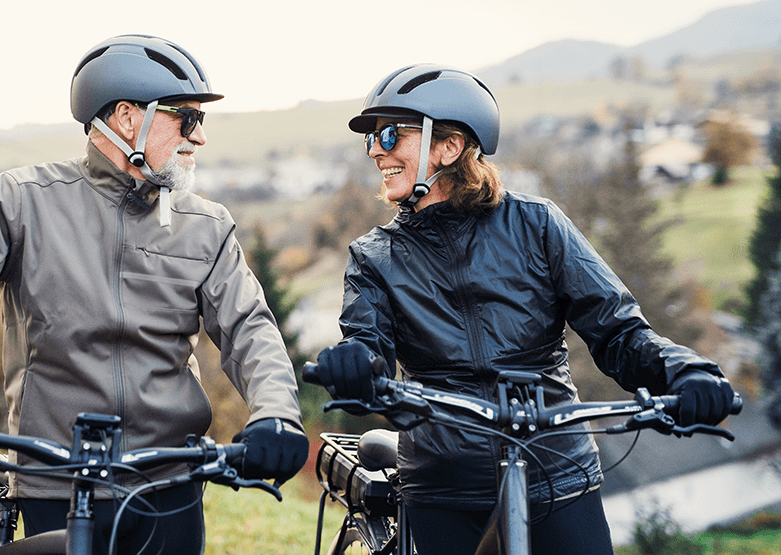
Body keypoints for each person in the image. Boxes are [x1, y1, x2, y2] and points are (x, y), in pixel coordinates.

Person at [0, 34, 308, 554]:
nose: (199, 137)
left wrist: (276, 414)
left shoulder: (206, 226)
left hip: (169, 487)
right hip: (54, 480)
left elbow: (250, 330)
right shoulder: (23, 201)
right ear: (127, 118)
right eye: (186, 119)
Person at [312, 64, 736, 555]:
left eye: (390, 134)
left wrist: (684, 373)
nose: (375, 150)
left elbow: (618, 331)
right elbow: (370, 346)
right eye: (371, 139)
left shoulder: (538, 225)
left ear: (448, 147)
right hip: (444, 486)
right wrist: (357, 364)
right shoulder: (374, 256)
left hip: (557, 473)